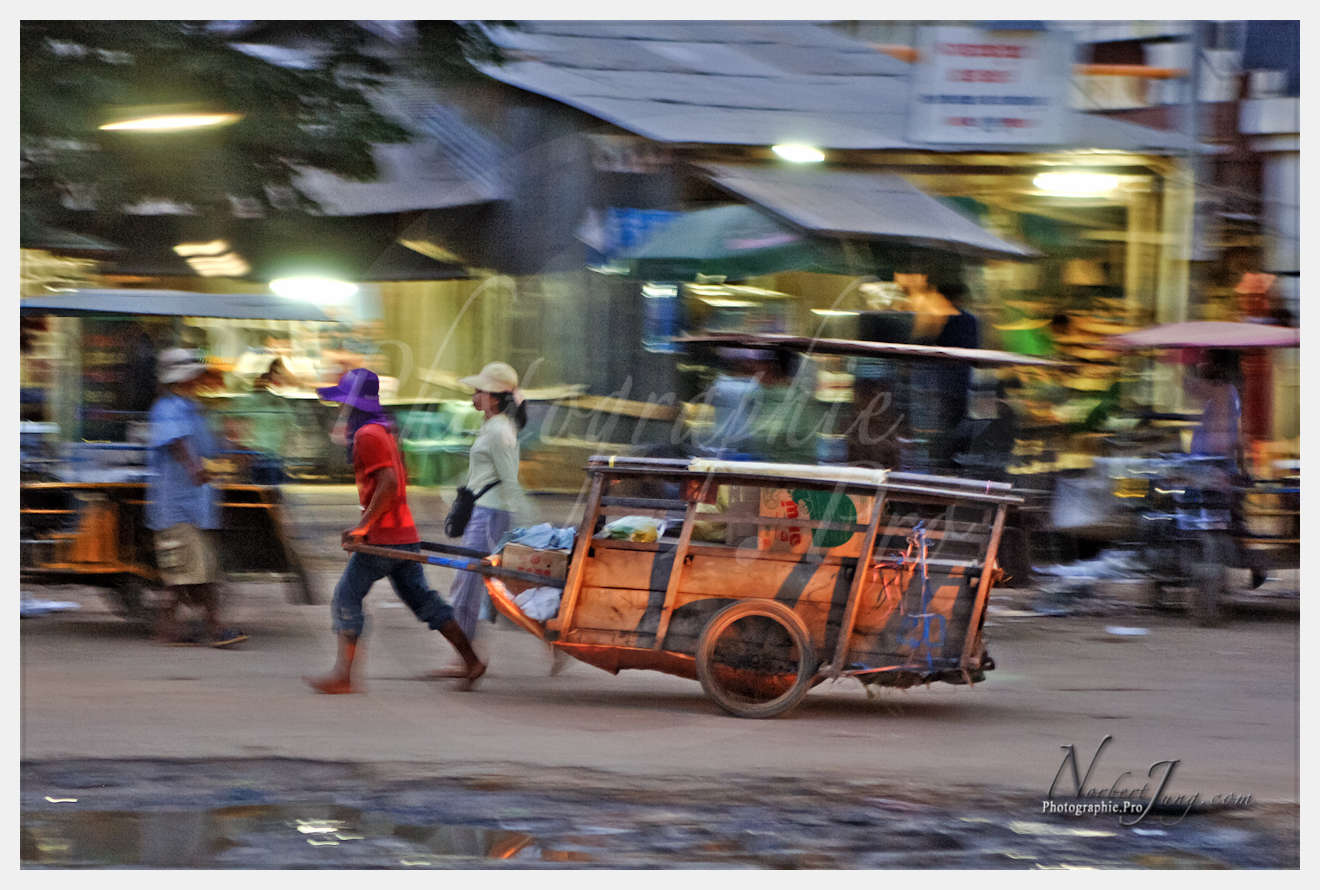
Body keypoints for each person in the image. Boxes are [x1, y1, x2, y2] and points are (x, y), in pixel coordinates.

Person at [305, 367, 484, 693]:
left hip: (384, 538)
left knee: (346, 596)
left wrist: (364, 528)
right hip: (403, 535)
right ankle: (471, 660)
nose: (341, 408)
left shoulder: (367, 435)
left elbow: (387, 485)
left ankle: (344, 676)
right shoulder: (383, 430)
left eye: (344, 402)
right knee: (424, 601)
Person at [146, 347, 247, 648]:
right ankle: (215, 629)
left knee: (184, 574)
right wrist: (194, 469)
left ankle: (167, 631)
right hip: (176, 505)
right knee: (198, 572)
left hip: (195, 505)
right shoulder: (168, 408)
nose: (198, 380)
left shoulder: (193, 409)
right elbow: (176, 443)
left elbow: (210, 449)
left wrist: (233, 445)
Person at [438, 361, 532, 667]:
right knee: (485, 582)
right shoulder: (492, 427)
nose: (474, 396)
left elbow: (509, 479)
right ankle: (466, 652)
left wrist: (526, 525)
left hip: (491, 514)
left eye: (480, 391)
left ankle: (464, 656)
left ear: (494, 397)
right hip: (484, 510)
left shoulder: (500, 431)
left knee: (468, 581)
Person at [1184, 348, 1244, 467]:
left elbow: (1190, 386)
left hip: (1214, 463)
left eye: (1205, 360)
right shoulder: (1227, 391)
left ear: (1216, 365)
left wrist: (1187, 361)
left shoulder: (1222, 391)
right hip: (1213, 462)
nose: (1201, 364)